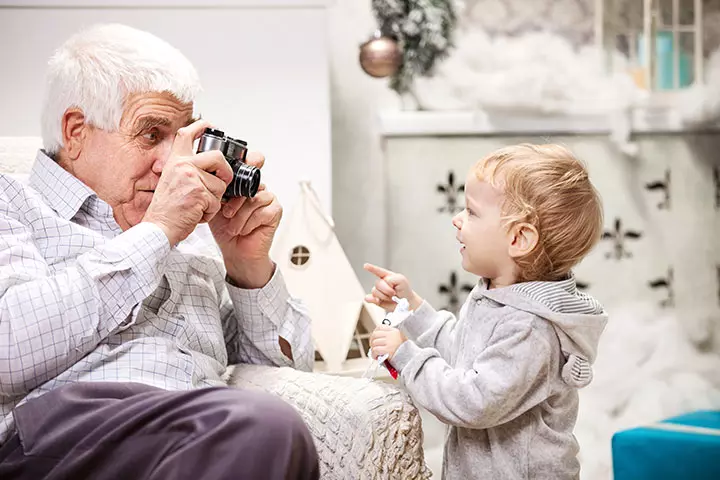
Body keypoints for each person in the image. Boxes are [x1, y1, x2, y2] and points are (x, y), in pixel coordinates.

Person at [0, 23, 319, 479]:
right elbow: (7, 348)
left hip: (194, 435)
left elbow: (287, 373)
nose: (172, 162)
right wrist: (158, 231)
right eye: (152, 134)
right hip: (58, 439)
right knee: (267, 428)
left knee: (266, 431)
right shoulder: (12, 203)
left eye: (182, 136)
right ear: (75, 132)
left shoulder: (192, 234)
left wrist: (247, 267)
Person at [365, 143, 608, 480]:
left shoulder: (530, 329)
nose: (457, 218)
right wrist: (412, 308)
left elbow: (472, 400)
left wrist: (406, 357)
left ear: (519, 239)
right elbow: (462, 355)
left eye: (472, 212)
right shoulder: (497, 294)